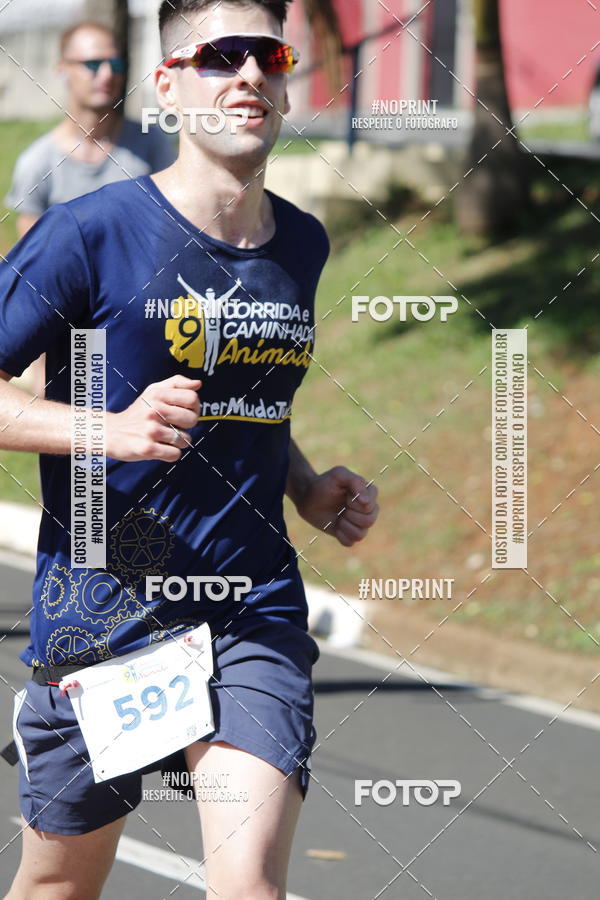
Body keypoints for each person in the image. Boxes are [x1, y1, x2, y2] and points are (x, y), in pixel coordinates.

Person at [0, 1, 379, 898]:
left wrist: (304, 485)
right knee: (59, 885)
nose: (249, 74)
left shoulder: (302, 243)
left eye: (269, 56)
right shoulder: (88, 233)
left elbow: (246, 401)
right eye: (220, 55)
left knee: (248, 887)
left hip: (251, 609)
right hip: (106, 616)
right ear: (167, 87)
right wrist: (108, 429)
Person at [5, 20, 175, 240]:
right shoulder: (38, 163)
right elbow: (35, 255)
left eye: (115, 64)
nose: (107, 74)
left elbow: (173, 226)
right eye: (93, 64)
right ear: (62, 70)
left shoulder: (150, 143)